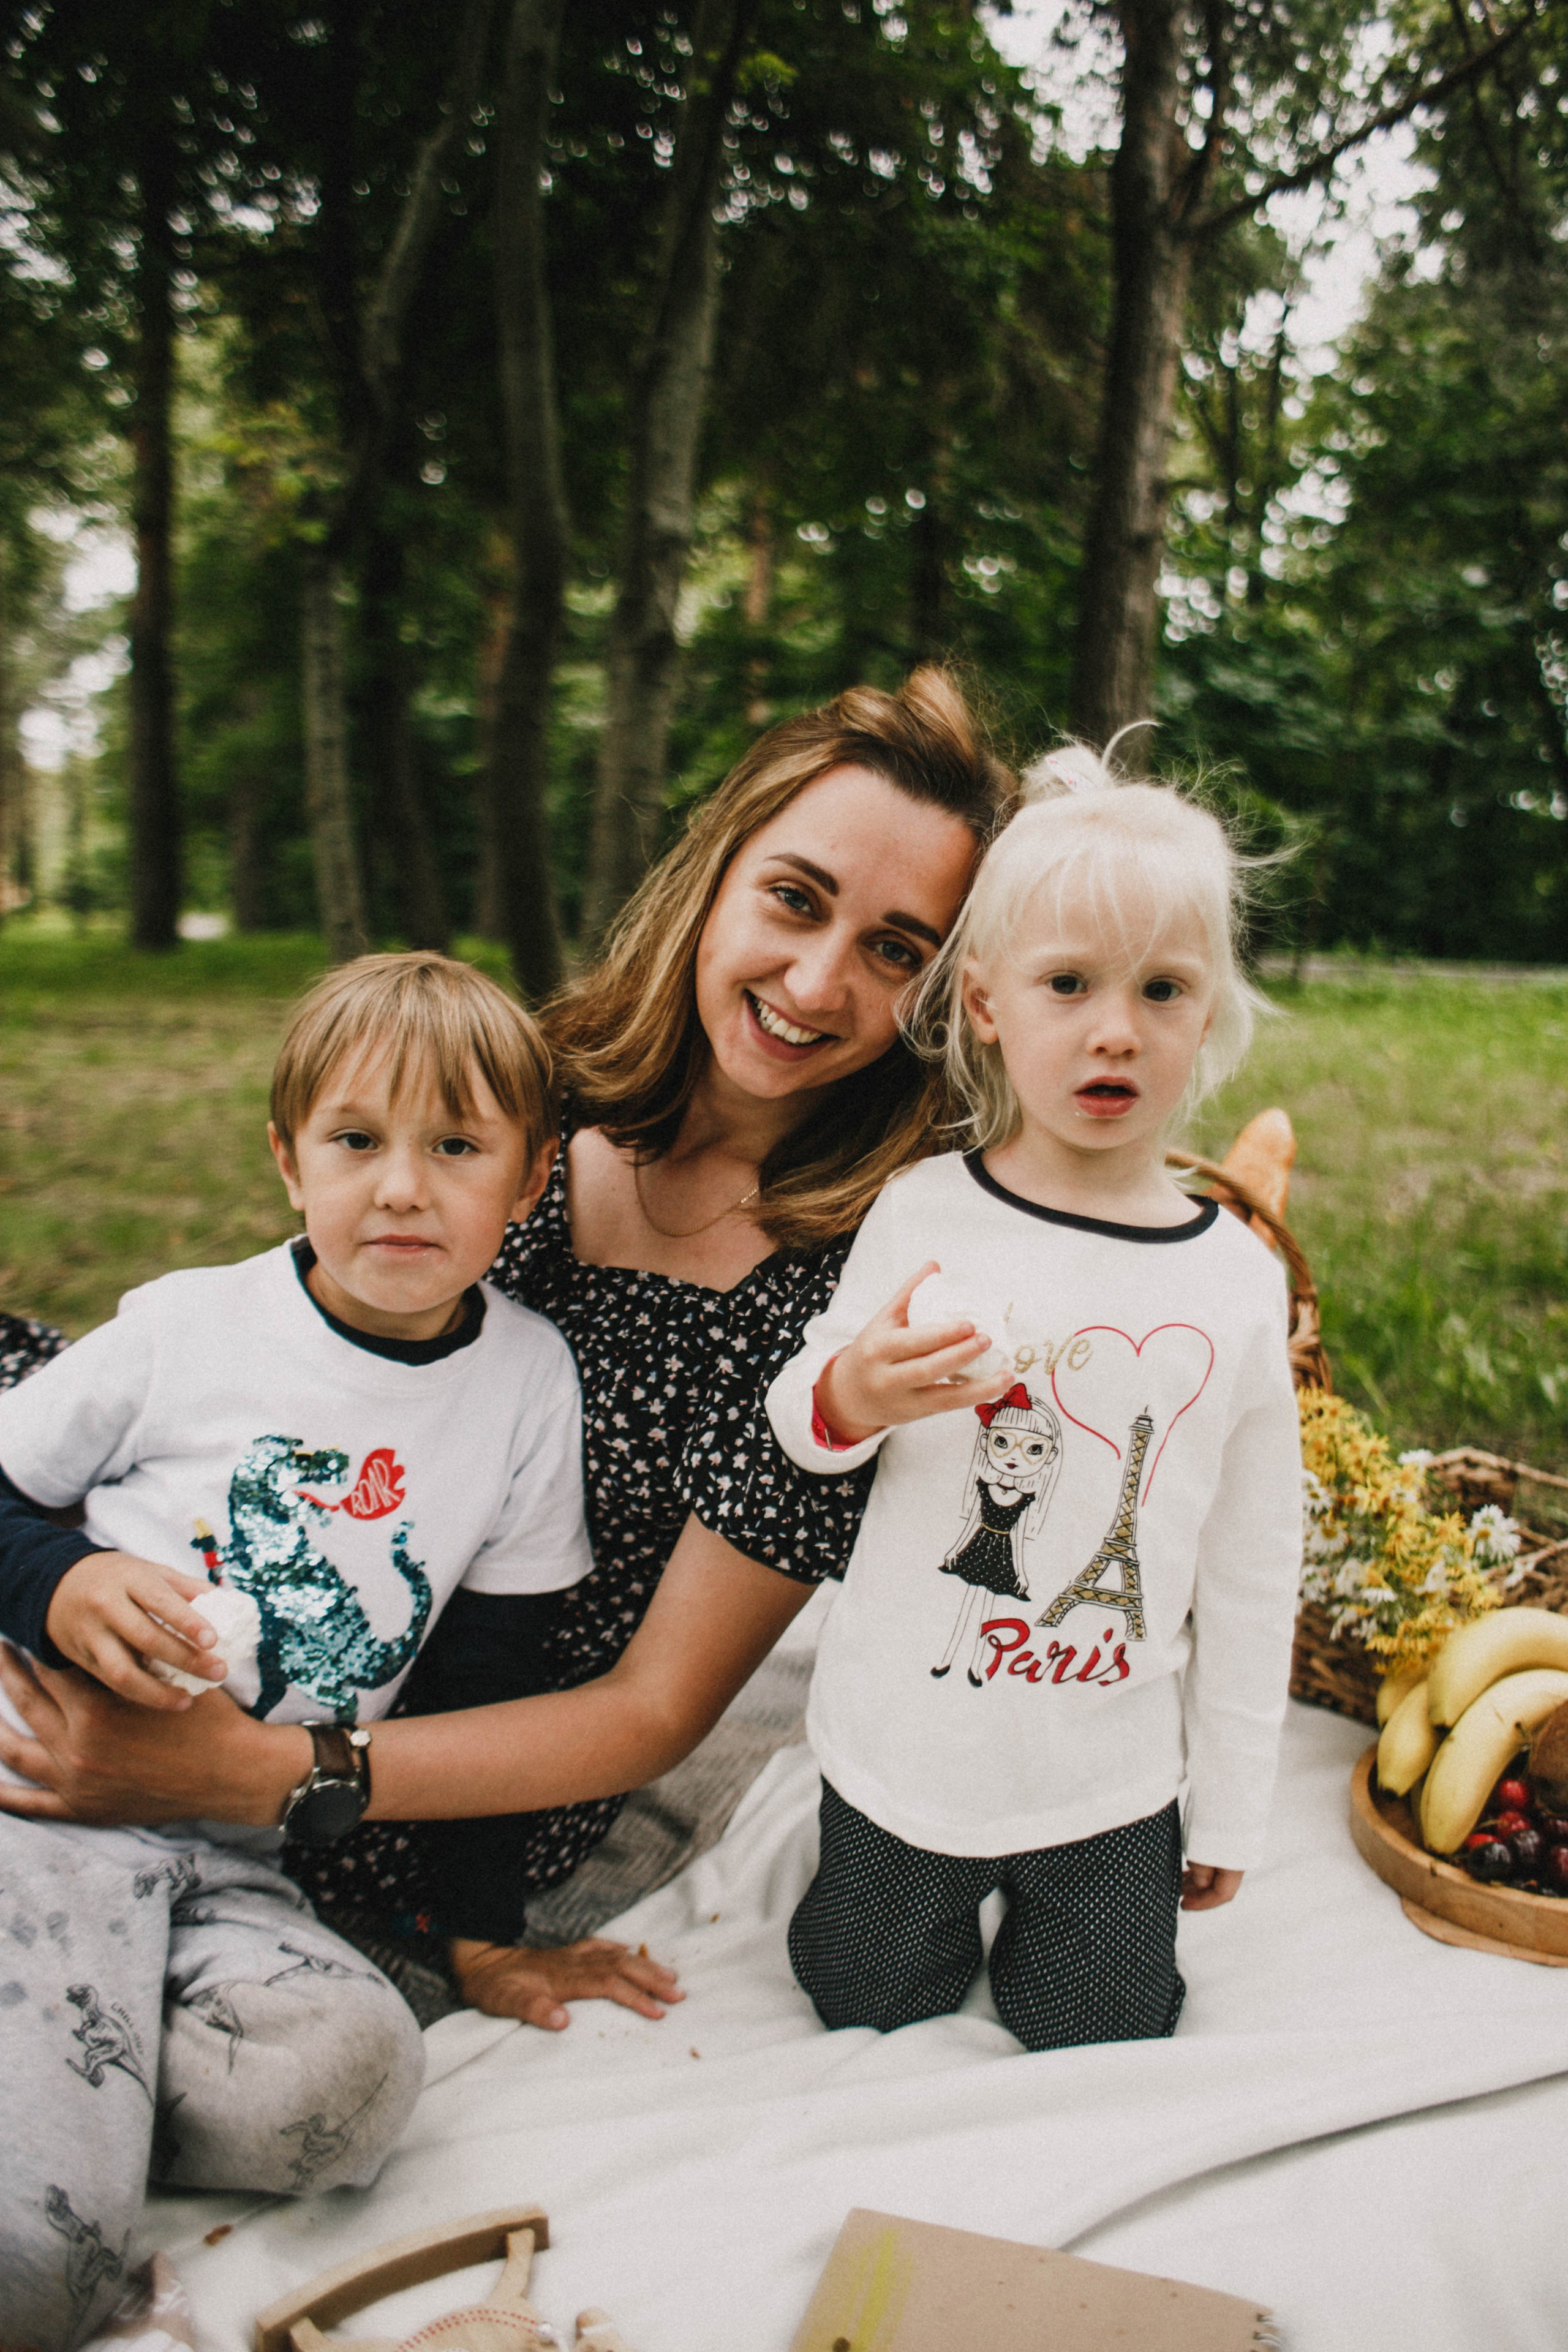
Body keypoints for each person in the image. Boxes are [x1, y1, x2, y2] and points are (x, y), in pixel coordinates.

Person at [0, 670, 1016, 2037]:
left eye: (897, 950)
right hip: (229, 1619)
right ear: (713, 877)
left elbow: (653, 1710)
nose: (817, 979)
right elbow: (271, 1379)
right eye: (794, 897)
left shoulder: (857, 1292)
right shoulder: (524, 1093)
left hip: (436, 1797)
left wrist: (268, 1773)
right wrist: (74, 1584)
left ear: (941, 994)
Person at [0, 952, 600, 2352]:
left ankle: (64, 2075)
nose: (401, 1186)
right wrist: (66, 1581)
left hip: (238, 1862)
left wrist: (482, 1941)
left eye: (454, 1146)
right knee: (40, 2267)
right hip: (52, 1806)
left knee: (350, 2090)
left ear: (528, 1185)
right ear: (287, 1161)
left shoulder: (524, 1384)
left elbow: (485, 1679)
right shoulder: (185, 1328)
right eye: (355, 1140)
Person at [764, 745, 1303, 2052]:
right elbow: (803, 1425)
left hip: (1102, 1774)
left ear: (1207, 1014)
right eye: (1068, 984)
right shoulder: (924, 1214)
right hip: (909, 1754)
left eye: (1160, 989)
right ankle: (883, 1900)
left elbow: (1248, 1569)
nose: (1114, 1027)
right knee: (863, 1999)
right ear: (990, 1004)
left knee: (1105, 2025)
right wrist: (853, 1391)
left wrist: (1225, 1806)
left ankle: (1075, 1927)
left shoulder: (1234, 1280)